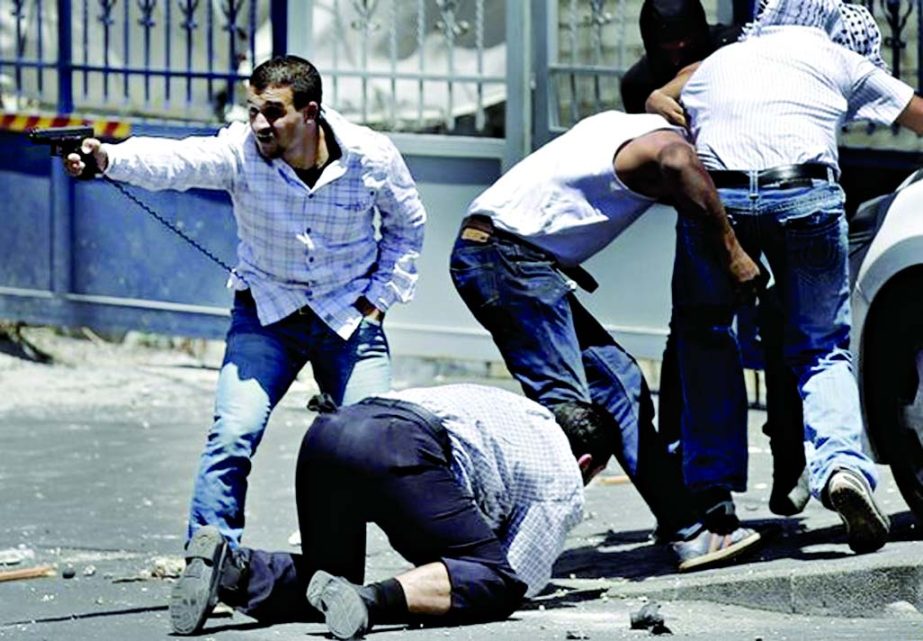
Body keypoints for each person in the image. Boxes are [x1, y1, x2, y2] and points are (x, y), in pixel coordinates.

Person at [63, 55, 427, 549]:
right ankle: (210, 559)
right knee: (232, 434)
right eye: (253, 109)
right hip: (267, 316)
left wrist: (377, 303)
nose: (259, 123)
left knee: (378, 444)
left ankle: (430, 562)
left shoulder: (371, 156)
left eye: (273, 112)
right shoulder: (240, 150)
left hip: (347, 319)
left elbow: (407, 229)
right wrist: (108, 159)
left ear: (310, 112)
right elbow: (178, 161)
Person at [168, 384, 755, 638]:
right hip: (400, 446)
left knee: (329, 573)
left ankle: (231, 567)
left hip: (330, 431)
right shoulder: (562, 476)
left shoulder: (514, 410)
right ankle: (372, 604)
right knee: (491, 580)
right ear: (587, 461)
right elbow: (515, 577)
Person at [664, 0, 923, 552]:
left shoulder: (721, 60)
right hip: (804, 190)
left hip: (719, 197)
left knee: (705, 336)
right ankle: (842, 469)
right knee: (823, 346)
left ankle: (712, 493)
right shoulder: (836, 56)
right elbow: (918, 115)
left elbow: (665, 101)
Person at [449, 111, 765, 552]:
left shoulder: (621, 124)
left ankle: (686, 530)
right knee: (571, 418)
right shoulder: (670, 144)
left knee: (621, 385)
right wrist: (733, 253)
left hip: (517, 261)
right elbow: (677, 160)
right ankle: (493, 548)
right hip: (506, 259)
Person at [622, 0, 808, 519]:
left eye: (686, 40)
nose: (678, 50)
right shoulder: (639, 84)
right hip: (704, 218)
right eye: (667, 44)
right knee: (693, 340)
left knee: (781, 333)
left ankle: (789, 459)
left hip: (769, 198)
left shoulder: (732, 47)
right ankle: (699, 483)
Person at [620, 0, 740, 115]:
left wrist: (667, 92)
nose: (676, 61)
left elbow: (727, 61)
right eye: (667, 52)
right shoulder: (637, 84)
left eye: (686, 50)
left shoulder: (733, 43)